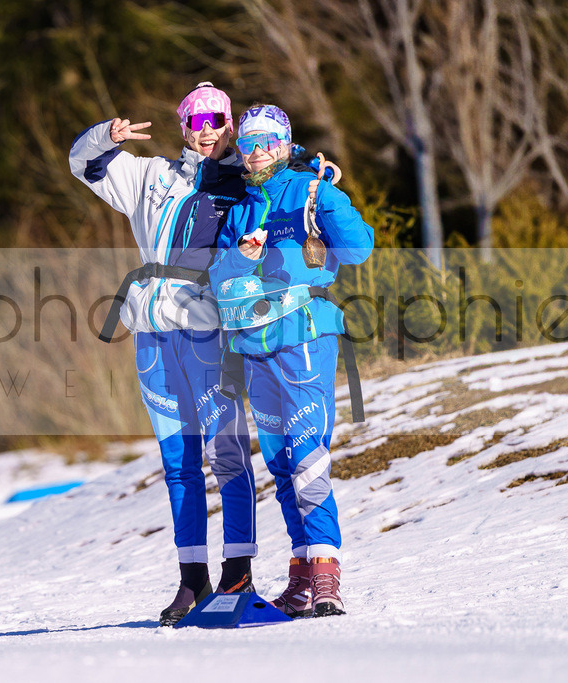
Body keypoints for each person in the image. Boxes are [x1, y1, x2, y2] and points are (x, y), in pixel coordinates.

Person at [69, 83, 258, 626]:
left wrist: (317, 173)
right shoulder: (150, 176)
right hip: (152, 332)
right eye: (196, 121)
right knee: (178, 462)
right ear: (183, 126)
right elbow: (81, 163)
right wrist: (107, 136)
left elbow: (296, 194)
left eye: (217, 119)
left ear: (230, 122)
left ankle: (238, 572)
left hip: (209, 331)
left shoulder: (248, 183)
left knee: (227, 455)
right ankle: (192, 579)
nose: (207, 130)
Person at [209, 103, 374, 617]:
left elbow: (359, 247)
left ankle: (328, 576)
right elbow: (220, 279)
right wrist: (243, 257)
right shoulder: (239, 208)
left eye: (267, 142)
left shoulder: (309, 190)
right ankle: (302, 575)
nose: (256, 152)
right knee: (281, 464)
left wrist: (328, 201)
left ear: (284, 145)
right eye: (248, 143)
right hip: (255, 345)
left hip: (304, 336)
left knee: (308, 457)